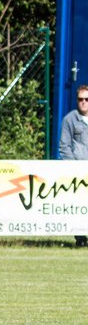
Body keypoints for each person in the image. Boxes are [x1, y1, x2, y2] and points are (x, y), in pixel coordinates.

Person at [58, 83, 88, 245]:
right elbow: (64, 146)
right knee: (78, 205)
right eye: (80, 99)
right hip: (78, 171)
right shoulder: (70, 119)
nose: (83, 102)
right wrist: (74, 167)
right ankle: (81, 238)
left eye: (86, 99)